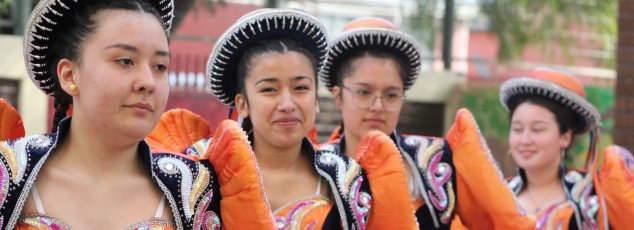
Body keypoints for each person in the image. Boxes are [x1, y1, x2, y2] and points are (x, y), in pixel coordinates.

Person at [1, 0, 271, 229]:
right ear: (70, 75)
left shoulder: (196, 189)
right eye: (125, 61)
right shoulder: (7, 173)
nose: (148, 81)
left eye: (160, 66)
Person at [166, 8, 416, 229]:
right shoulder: (198, 171)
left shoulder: (348, 179)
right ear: (242, 103)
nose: (287, 104)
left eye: (300, 88)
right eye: (269, 89)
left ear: (316, 100)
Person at [318, 17, 534, 229]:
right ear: (338, 96)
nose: (378, 105)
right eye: (364, 92)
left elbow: (504, 223)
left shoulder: (437, 159)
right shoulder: (314, 166)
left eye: (391, 95)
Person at [500, 67, 634, 229]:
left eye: (537, 129)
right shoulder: (498, 198)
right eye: (517, 129)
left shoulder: (593, 200)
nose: (525, 140)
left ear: (565, 137)